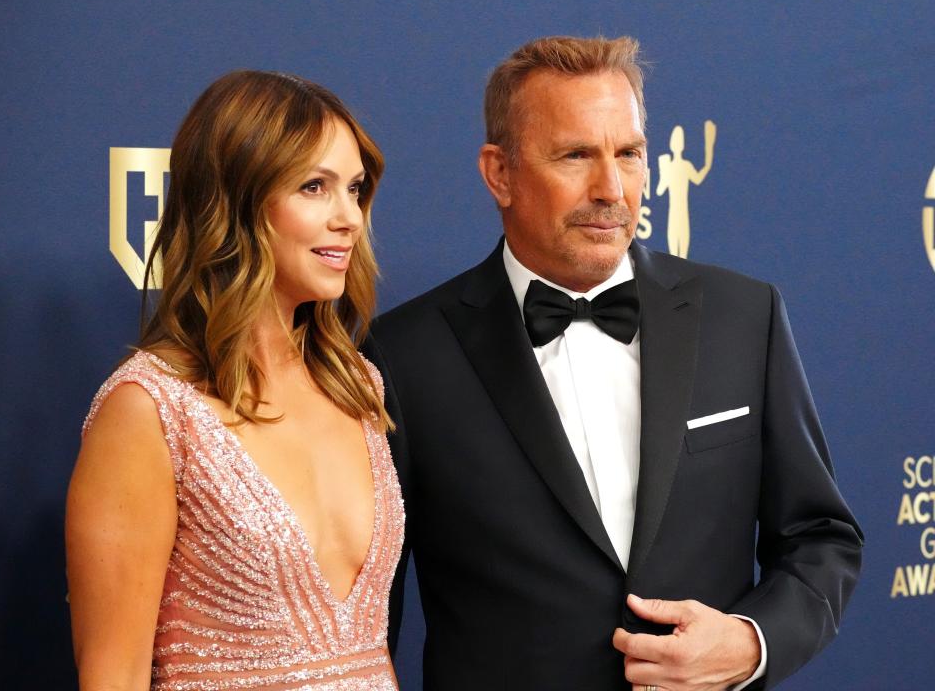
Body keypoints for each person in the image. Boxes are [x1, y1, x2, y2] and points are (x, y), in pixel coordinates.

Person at [363, 36, 863, 690]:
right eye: (575, 155)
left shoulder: (745, 316)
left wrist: (751, 641)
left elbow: (821, 537)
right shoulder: (402, 355)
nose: (610, 188)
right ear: (500, 173)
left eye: (628, 154)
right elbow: (369, 617)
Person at [66, 71, 404, 691]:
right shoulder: (150, 410)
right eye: (314, 187)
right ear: (236, 202)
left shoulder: (358, 386)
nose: (349, 218)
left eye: (354, 189)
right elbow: (113, 675)